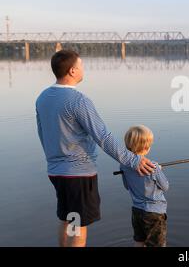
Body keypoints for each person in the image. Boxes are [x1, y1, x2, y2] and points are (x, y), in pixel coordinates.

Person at [35, 50, 156, 247]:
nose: (84, 69)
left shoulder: (43, 97)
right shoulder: (78, 101)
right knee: (78, 225)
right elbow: (103, 137)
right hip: (78, 175)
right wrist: (133, 160)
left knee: (68, 220)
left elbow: (42, 133)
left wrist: (54, 160)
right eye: (81, 65)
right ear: (72, 71)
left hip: (56, 172)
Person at [121, 125, 169, 247]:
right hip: (154, 213)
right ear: (147, 147)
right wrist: (158, 170)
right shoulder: (153, 167)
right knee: (157, 244)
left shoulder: (124, 166)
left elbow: (127, 186)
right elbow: (165, 186)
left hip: (136, 211)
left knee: (139, 240)